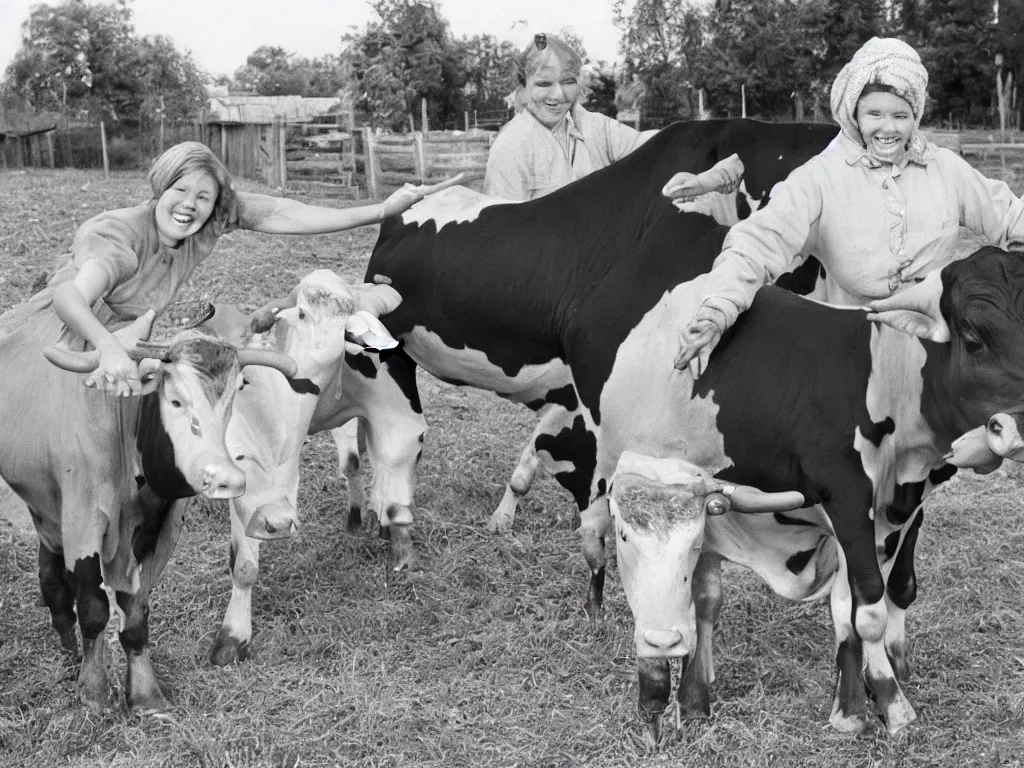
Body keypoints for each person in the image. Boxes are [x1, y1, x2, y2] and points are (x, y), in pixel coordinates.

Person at [674, 37, 1024, 379]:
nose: (888, 128)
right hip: (855, 358)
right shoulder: (821, 178)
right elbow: (760, 241)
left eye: (900, 115)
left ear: (915, 116)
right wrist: (718, 306)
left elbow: (1009, 215)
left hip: (941, 351)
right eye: (875, 113)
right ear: (854, 113)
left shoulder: (945, 169)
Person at [0, 141, 427, 397]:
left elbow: (286, 213)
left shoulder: (208, 222)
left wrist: (381, 210)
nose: (190, 204)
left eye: (203, 197)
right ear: (159, 188)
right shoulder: (119, 239)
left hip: (126, 335)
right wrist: (108, 348)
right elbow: (70, 297)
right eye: (180, 190)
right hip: (64, 332)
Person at [483, 33, 657, 201]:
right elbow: (504, 225)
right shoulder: (510, 147)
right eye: (544, 83)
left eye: (568, 81)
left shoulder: (596, 128)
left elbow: (650, 143)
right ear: (523, 87)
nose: (558, 95)